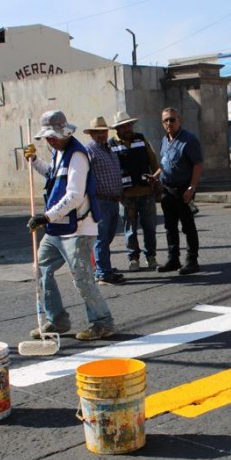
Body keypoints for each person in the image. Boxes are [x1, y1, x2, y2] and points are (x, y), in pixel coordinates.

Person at [22, 109, 116, 341]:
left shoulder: (77, 156)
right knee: (41, 269)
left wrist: (46, 217)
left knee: (82, 278)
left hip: (79, 229)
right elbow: (52, 176)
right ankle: (57, 321)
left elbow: (74, 196)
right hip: (58, 227)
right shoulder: (58, 153)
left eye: (53, 136)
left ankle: (102, 323)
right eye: (47, 137)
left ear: (65, 132)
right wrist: (34, 162)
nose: (49, 140)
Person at [109, 110, 160, 272]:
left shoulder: (141, 139)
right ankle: (133, 259)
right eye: (123, 126)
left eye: (129, 125)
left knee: (150, 227)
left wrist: (155, 178)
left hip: (146, 192)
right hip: (126, 195)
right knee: (130, 230)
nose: (127, 128)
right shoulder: (111, 144)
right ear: (117, 129)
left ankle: (151, 257)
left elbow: (153, 161)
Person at [156, 107, 203, 275]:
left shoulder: (188, 140)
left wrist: (192, 187)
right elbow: (163, 163)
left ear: (179, 120)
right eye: (165, 120)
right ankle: (173, 258)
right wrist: (155, 176)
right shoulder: (164, 140)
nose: (169, 123)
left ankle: (192, 260)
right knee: (170, 227)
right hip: (167, 189)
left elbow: (197, 164)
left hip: (183, 188)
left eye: (172, 119)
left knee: (188, 226)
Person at [83, 116, 125, 285]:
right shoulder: (89, 151)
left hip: (114, 200)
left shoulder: (109, 149)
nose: (101, 135)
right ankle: (103, 273)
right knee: (101, 237)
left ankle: (103, 266)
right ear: (91, 134)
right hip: (100, 200)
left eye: (103, 132)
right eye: (97, 132)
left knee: (108, 236)